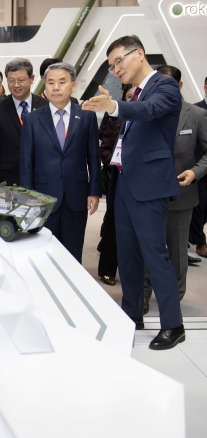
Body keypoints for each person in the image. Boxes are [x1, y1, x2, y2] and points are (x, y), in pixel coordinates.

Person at [83, 35, 184, 350]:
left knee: (155, 255)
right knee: (126, 254)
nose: (116, 69)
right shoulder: (136, 92)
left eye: (119, 61)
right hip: (123, 183)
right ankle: (131, 316)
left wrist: (113, 105)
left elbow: (151, 111)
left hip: (149, 185)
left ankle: (173, 324)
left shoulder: (163, 87)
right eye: (111, 65)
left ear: (138, 54)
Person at [19, 62, 101, 263]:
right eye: (51, 83)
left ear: (72, 86)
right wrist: (27, 196)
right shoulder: (32, 119)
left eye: (62, 82)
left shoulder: (87, 116)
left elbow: (93, 156)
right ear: (44, 87)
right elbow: (26, 161)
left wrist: (94, 191)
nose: (56, 87)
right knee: (42, 251)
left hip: (77, 195)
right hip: (42, 196)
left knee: (73, 252)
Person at [142, 65, 207, 309]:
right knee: (149, 247)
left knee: (178, 252)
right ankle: (144, 294)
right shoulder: (147, 111)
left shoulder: (197, 115)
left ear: (179, 86)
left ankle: (174, 298)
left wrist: (195, 172)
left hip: (181, 195)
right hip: (148, 195)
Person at [0, 58, 48, 186]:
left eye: (21, 80)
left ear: (31, 79)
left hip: (42, 177)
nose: (16, 85)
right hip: (9, 180)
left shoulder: (45, 106)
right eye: (11, 81)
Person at [97, 84, 135, 286]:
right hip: (116, 179)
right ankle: (107, 270)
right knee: (112, 226)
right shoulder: (114, 118)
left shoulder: (147, 120)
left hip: (139, 181)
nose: (132, 100)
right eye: (129, 96)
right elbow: (103, 148)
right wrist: (115, 161)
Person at [190, 75, 207, 257]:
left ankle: (194, 232)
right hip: (199, 167)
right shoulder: (196, 110)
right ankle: (200, 242)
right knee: (199, 205)